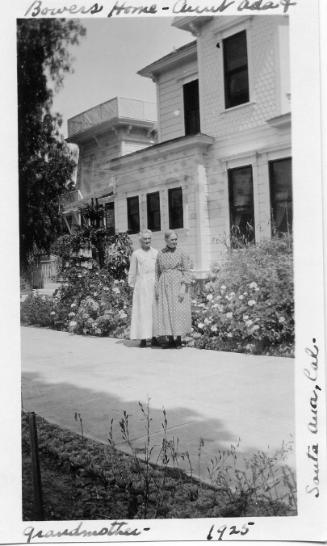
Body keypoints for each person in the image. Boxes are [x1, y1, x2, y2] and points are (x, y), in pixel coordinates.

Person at [153, 230, 192, 348]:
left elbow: (187, 271)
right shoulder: (160, 253)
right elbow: (157, 272)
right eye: (172, 240)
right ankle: (170, 340)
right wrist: (157, 287)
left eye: (176, 239)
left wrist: (183, 287)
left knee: (178, 311)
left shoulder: (181, 253)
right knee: (166, 310)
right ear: (166, 240)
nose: (175, 242)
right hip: (164, 284)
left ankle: (178, 339)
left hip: (177, 283)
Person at [128, 230, 158, 347]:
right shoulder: (136, 254)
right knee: (142, 311)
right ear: (140, 240)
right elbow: (132, 271)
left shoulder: (156, 253)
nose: (147, 241)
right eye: (144, 239)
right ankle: (143, 338)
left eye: (148, 239)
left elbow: (158, 270)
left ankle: (155, 337)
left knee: (154, 311)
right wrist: (132, 285)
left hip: (153, 283)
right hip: (141, 285)